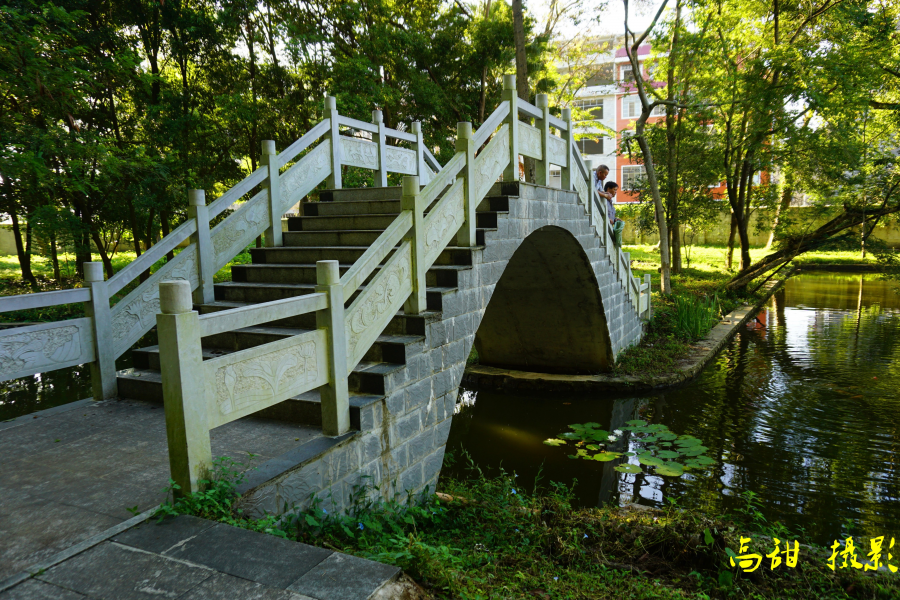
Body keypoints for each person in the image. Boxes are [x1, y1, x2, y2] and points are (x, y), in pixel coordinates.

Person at [604, 181, 625, 247]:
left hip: (610, 228)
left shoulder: (610, 202)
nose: (615, 192)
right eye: (614, 190)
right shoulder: (603, 200)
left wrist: (615, 219)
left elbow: (611, 215)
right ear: (608, 189)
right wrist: (607, 219)